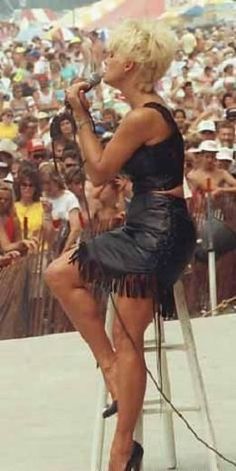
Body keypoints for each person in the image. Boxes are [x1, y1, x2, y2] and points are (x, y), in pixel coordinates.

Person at [45, 20, 196, 471]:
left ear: (129, 65)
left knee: (127, 339)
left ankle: (122, 448)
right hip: (144, 222)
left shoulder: (143, 116)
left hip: (159, 232)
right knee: (59, 274)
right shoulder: (143, 113)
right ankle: (111, 368)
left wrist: (81, 115)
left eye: (110, 57)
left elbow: (96, 171)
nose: (103, 63)